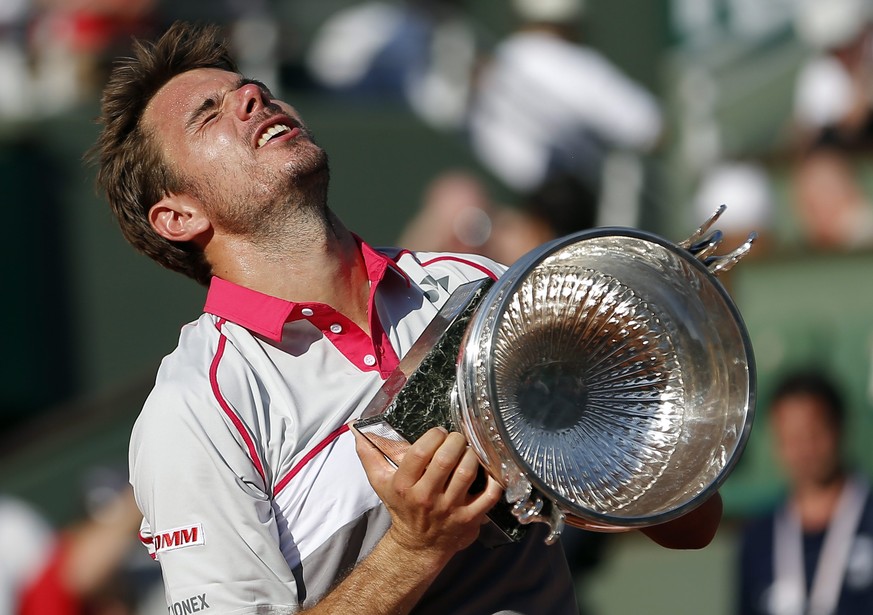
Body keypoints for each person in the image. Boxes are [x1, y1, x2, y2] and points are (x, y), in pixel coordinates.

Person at [92, 21, 723, 614]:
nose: (253, 97)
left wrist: (614, 400)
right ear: (178, 217)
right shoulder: (193, 407)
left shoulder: (472, 282)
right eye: (210, 115)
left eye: (250, 89)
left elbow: (692, 524)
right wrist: (416, 548)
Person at [737, 370, 873, 615]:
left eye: (814, 433)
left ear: (839, 427)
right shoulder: (758, 538)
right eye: (792, 437)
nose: (805, 449)